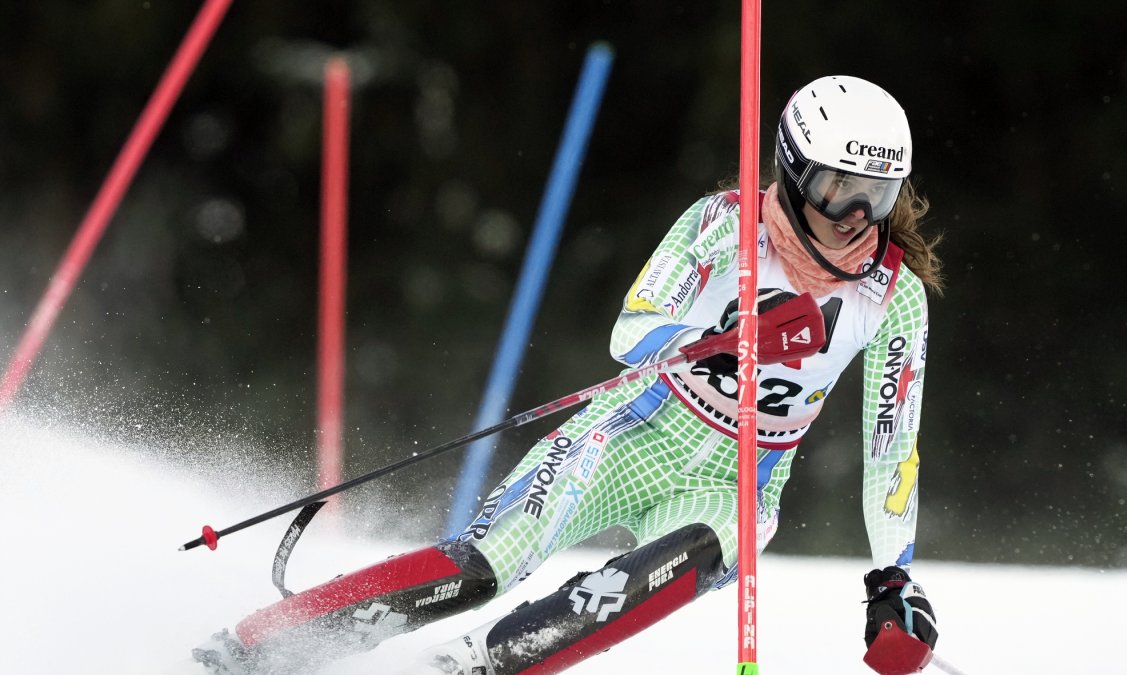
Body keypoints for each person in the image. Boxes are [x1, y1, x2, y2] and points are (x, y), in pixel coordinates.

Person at [194, 74, 942, 675]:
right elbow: (632, 330)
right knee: (485, 565)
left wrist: (891, 580)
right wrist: (721, 336)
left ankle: (475, 667)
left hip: (735, 479)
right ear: (794, 169)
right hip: (633, 432)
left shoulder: (893, 292)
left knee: (689, 557)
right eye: (838, 188)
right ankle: (259, 647)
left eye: (876, 194)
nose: (857, 215)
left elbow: (891, 447)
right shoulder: (726, 225)